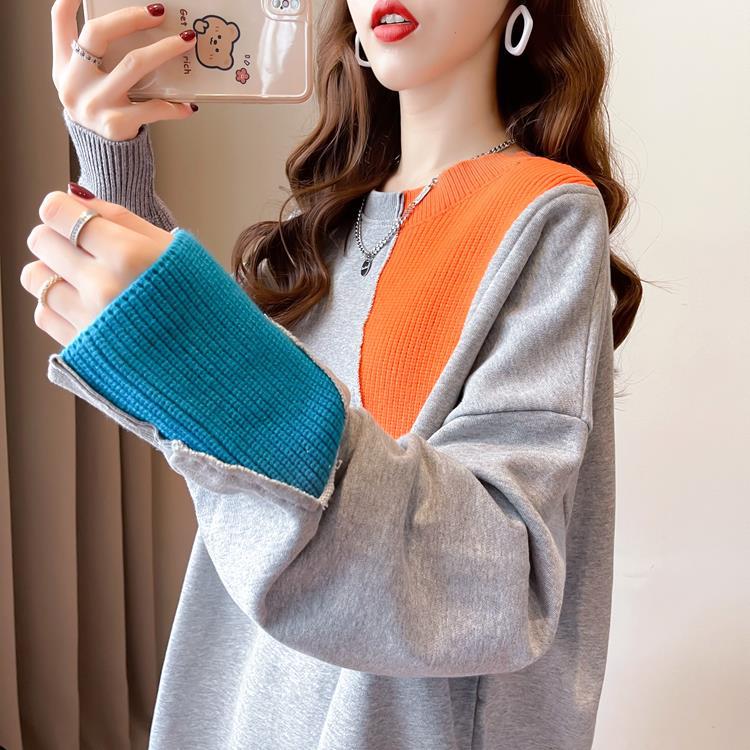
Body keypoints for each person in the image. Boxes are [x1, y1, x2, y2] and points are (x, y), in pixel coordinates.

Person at [33, 0, 642, 747]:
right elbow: (240, 472)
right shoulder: (321, 235)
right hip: (238, 708)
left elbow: (493, 583)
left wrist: (206, 350)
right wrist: (112, 157)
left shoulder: (546, 213)